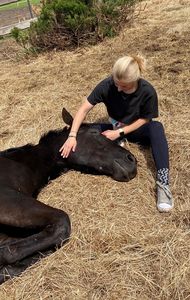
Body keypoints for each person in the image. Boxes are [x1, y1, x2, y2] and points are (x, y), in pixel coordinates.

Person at [60, 55, 173, 212]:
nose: (119, 89)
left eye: (124, 87)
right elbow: (84, 108)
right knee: (86, 130)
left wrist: (119, 132)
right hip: (114, 126)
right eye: (116, 84)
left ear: (135, 81)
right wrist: (72, 135)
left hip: (135, 128)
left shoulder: (148, 91)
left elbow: (145, 119)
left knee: (157, 127)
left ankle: (163, 183)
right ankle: (77, 127)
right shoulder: (107, 84)